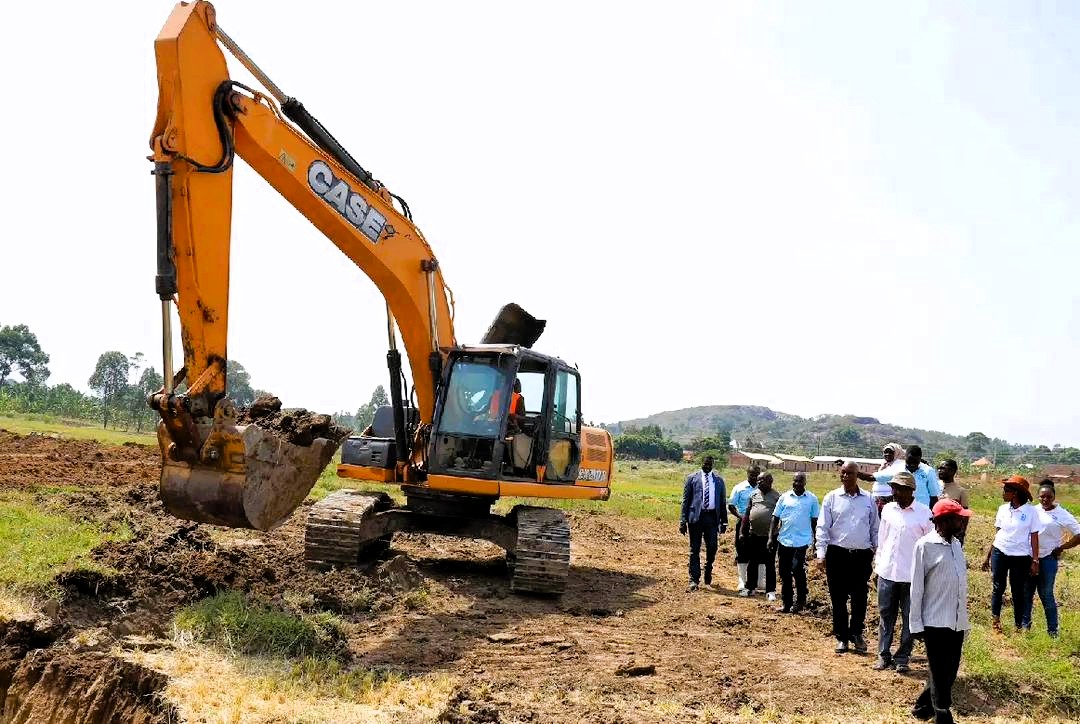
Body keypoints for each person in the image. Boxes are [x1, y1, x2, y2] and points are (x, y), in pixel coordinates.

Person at [909, 499, 972, 724]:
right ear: (943, 521)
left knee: (950, 670)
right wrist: (915, 624)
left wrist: (964, 620)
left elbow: (960, 586)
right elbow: (916, 588)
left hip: (956, 621)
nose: (963, 522)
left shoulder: (956, 545)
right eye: (958, 519)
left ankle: (922, 708)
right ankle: (943, 714)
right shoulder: (924, 546)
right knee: (939, 671)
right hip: (934, 621)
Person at [873, 471, 934, 673]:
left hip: (911, 577)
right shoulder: (888, 510)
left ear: (910, 490)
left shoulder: (924, 513)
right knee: (885, 617)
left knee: (909, 619)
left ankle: (902, 658)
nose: (894, 493)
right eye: (893, 488)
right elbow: (882, 540)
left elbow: (929, 547)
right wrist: (877, 566)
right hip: (887, 573)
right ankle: (883, 655)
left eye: (898, 489)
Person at [816, 461, 879, 653]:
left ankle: (856, 634)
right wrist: (820, 554)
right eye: (843, 473)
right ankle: (842, 637)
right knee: (838, 598)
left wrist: (878, 553)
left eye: (850, 473)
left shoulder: (869, 499)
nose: (845, 476)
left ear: (857, 475)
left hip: (861, 556)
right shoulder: (831, 498)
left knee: (860, 597)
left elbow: (875, 528)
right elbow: (823, 527)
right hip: (837, 555)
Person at [981, 475, 1043, 633]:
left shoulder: (1031, 512)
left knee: (1017, 590)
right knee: (998, 587)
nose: (1003, 493)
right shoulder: (1002, 509)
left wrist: (1035, 560)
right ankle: (995, 622)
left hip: (1020, 557)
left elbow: (1034, 537)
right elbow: (998, 533)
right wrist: (988, 555)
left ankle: (1018, 626)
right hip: (1000, 551)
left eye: (1006, 490)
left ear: (1015, 493)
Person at [1021, 481, 1080, 637]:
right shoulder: (1033, 511)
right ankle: (1024, 628)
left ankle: (1053, 632)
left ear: (1054, 497)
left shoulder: (1062, 514)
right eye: (1042, 497)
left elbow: (1078, 534)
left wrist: (1062, 547)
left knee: (1046, 595)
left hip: (1048, 559)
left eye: (1049, 497)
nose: (1045, 500)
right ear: (1037, 497)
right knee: (1026, 594)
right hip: (1029, 558)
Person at [768, 471, 819, 614]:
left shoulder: (812, 499)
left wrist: (816, 542)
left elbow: (814, 521)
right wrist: (770, 537)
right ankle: (786, 603)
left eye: (800, 481)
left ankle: (801, 600)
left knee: (797, 568)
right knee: (784, 572)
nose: (797, 484)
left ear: (805, 483)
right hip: (784, 540)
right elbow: (775, 518)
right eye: (795, 481)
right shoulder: (784, 497)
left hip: (802, 541)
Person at [679, 455, 728, 591]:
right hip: (695, 518)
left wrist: (724, 521)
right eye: (705, 464)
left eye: (709, 464)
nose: (707, 466)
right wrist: (683, 520)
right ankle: (694, 579)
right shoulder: (692, 478)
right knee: (694, 549)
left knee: (712, 546)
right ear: (701, 463)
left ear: (713, 465)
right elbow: (685, 500)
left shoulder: (719, 481)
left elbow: (722, 502)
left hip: (712, 518)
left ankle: (708, 568)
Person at [861, 445, 941, 509]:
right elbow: (872, 477)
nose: (912, 465)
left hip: (922, 514)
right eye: (909, 462)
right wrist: (856, 473)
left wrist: (932, 515)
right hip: (901, 512)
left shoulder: (928, 471)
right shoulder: (898, 469)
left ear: (920, 459)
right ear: (905, 458)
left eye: (915, 463)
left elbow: (933, 496)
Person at [742, 472, 780, 600]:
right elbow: (747, 513)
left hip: (770, 536)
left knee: (769, 563)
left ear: (770, 481)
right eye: (758, 480)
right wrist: (742, 531)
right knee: (753, 562)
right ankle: (750, 588)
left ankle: (770, 590)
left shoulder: (777, 497)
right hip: (754, 534)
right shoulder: (753, 494)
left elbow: (779, 517)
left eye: (762, 480)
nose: (758, 482)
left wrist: (774, 535)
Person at [727, 465, 761, 593]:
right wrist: (741, 517)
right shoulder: (739, 487)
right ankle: (742, 581)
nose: (754, 477)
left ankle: (758, 582)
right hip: (743, 524)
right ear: (747, 474)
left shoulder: (762, 488)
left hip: (758, 525)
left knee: (757, 552)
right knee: (742, 552)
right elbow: (731, 505)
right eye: (752, 475)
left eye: (757, 475)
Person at [936, 459, 969, 544]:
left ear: (952, 471)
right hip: (933, 530)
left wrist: (961, 533)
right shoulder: (934, 486)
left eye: (943, 468)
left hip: (951, 533)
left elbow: (965, 515)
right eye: (938, 468)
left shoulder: (960, 491)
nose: (939, 471)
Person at [871, 443, 905, 513]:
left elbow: (883, 477)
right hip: (878, 498)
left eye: (891, 452)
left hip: (888, 498)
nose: (887, 454)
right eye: (885, 452)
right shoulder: (885, 464)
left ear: (896, 453)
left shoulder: (899, 465)